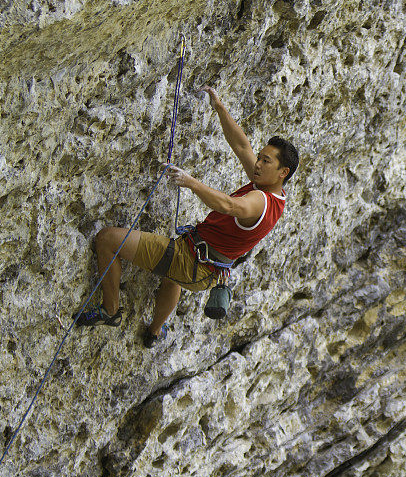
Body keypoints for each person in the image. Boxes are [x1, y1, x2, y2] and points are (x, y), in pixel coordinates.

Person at [75, 86, 299, 347]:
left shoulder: (260, 201)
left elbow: (228, 205)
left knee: (108, 239)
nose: (258, 164)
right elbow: (241, 145)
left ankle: (110, 310)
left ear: (283, 172)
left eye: (266, 161)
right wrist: (220, 108)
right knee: (172, 278)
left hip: (190, 261)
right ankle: (154, 332)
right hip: (202, 267)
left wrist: (191, 183)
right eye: (260, 158)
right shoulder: (271, 190)